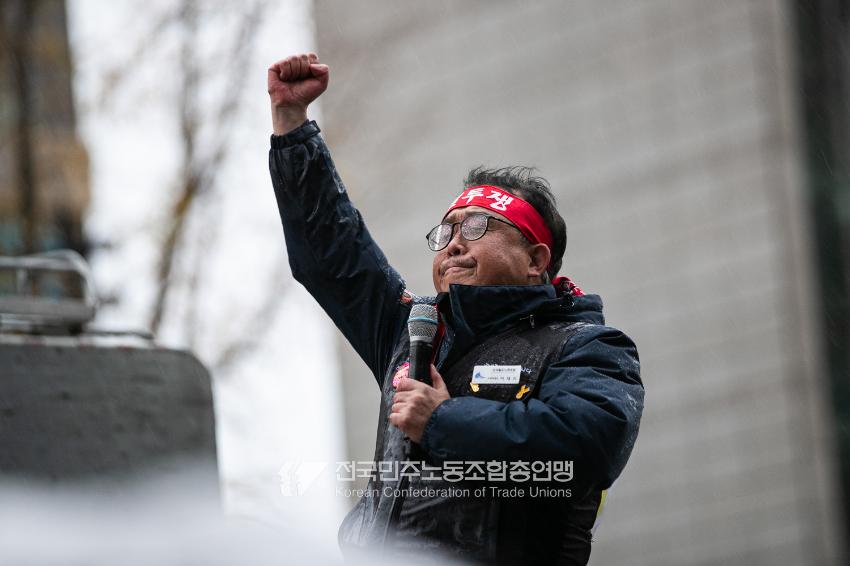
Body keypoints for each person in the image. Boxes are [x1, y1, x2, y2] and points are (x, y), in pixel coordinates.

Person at [267, 53, 644, 565]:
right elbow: (332, 251)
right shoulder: (411, 330)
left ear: (536, 261)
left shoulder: (588, 347)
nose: (454, 244)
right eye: (446, 231)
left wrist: (442, 422)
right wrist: (292, 124)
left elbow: (584, 446)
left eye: (477, 227)